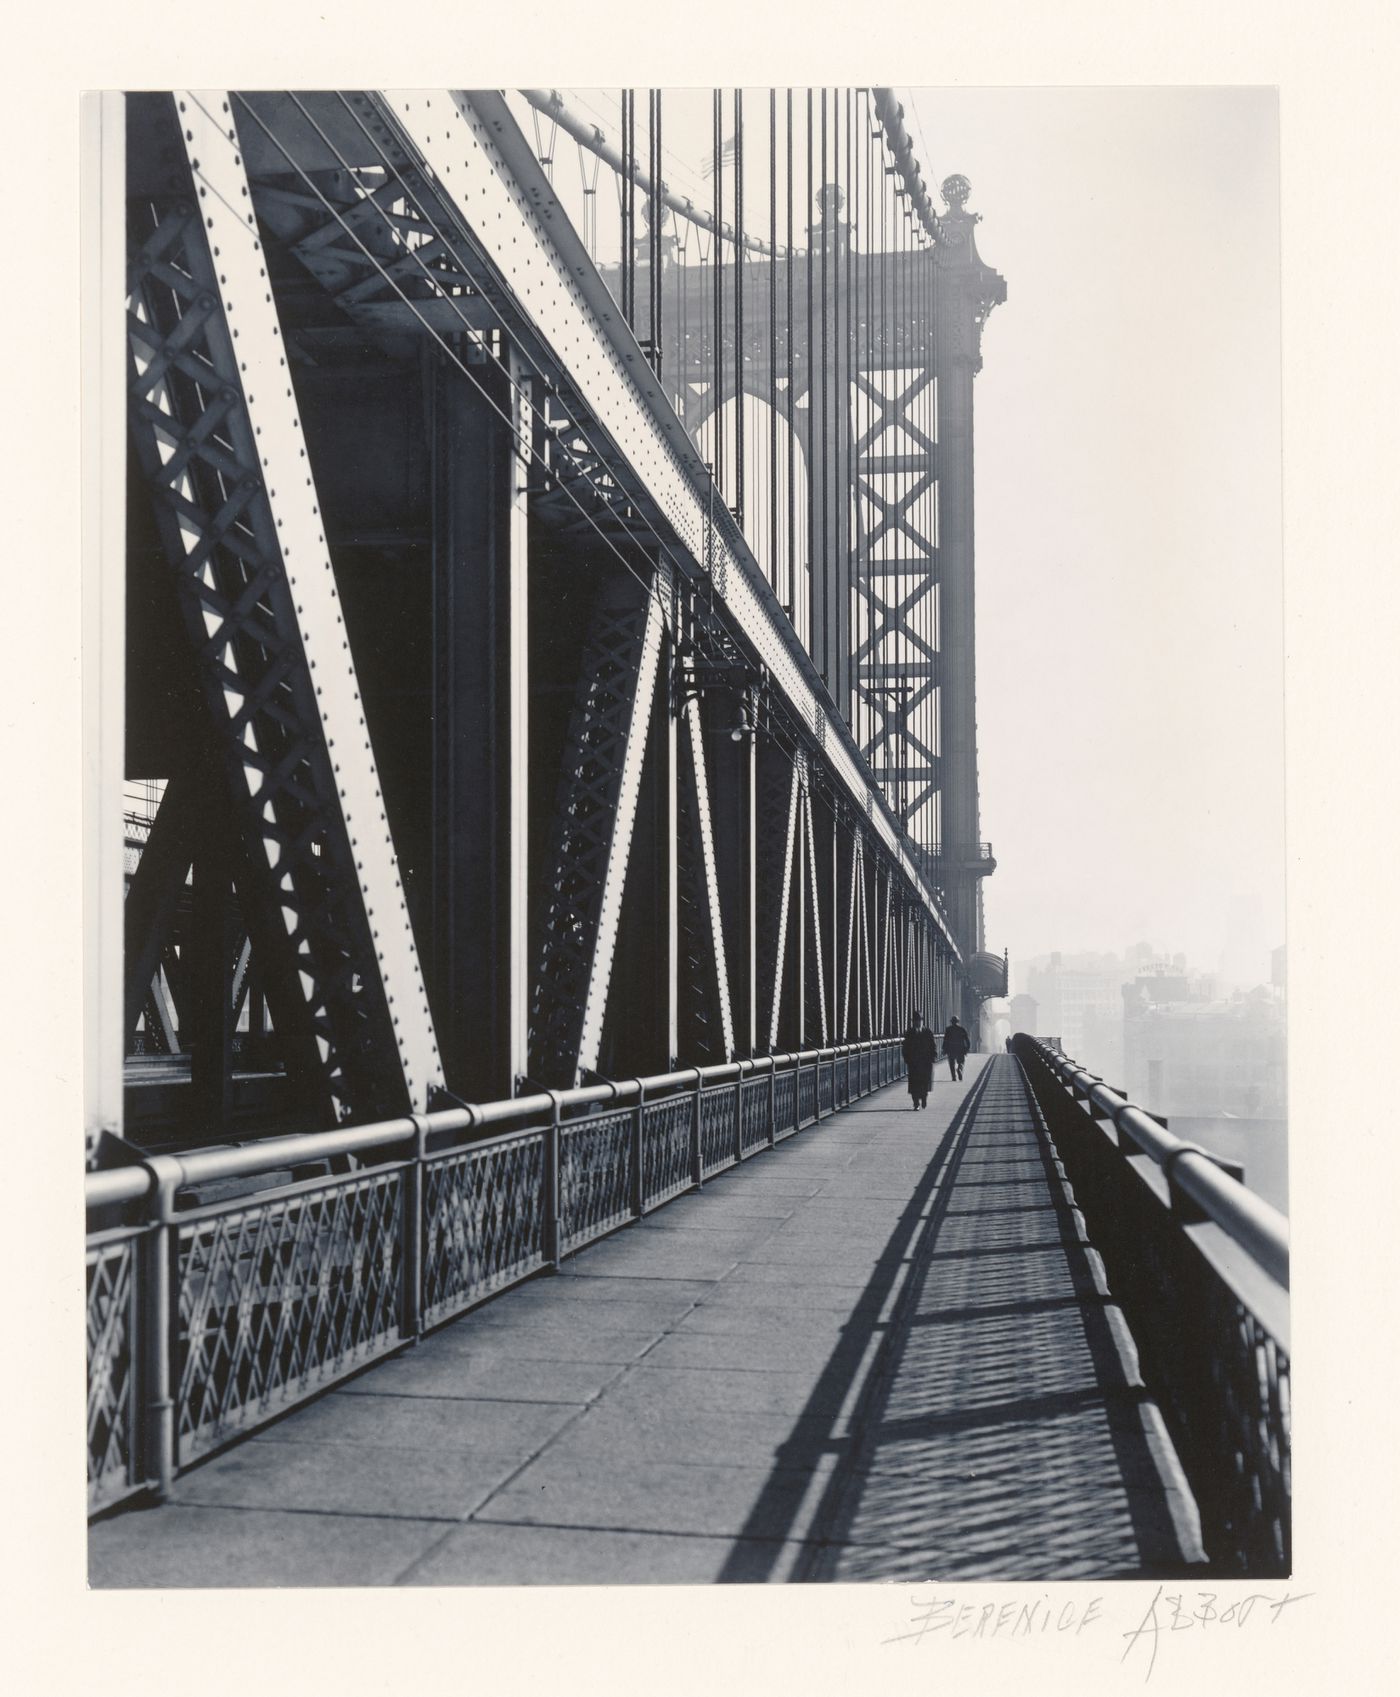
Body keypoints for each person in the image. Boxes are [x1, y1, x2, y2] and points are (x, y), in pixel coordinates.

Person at [901, 1010, 936, 1110]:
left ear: (922, 1021)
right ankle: (916, 1103)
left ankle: (924, 1098)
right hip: (914, 1063)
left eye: (919, 1020)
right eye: (916, 1021)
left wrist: (933, 1057)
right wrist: (907, 1059)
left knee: (924, 1082)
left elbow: (933, 1046)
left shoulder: (928, 1032)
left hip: (926, 1063)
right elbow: (905, 1047)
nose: (918, 1022)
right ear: (913, 1022)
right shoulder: (910, 1033)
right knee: (914, 1083)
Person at [943, 1014, 971, 1081]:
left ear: (951, 1022)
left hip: (951, 1048)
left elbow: (945, 1040)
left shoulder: (948, 1029)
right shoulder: (962, 1029)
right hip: (960, 1048)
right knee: (961, 1061)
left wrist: (944, 1048)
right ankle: (959, 1069)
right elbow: (967, 1039)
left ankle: (953, 1077)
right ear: (958, 1022)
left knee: (951, 1063)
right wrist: (967, 1048)